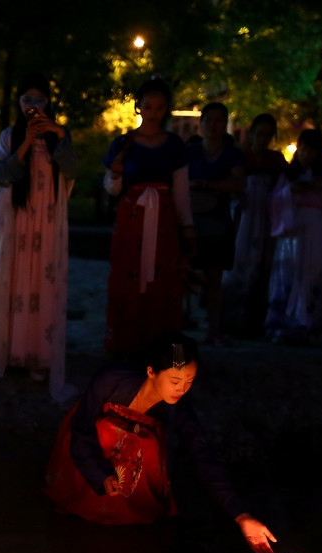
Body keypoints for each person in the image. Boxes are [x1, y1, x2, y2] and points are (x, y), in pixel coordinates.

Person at [44, 334, 276, 553]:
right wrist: (99, 473)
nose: (181, 389)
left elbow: (203, 458)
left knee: (150, 445)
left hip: (134, 465)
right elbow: (82, 427)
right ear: (151, 371)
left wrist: (242, 516)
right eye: (175, 381)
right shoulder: (111, 381)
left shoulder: (178, 409)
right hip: (92, 446)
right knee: (105, 431)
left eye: (189, 382)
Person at [0, 74, 77, 396]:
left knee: (41, 283)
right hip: (15, 219)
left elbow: (72, 172)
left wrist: (58, 134)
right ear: (19, 104)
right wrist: (26, 143)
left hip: (46, 221)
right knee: (13, 279)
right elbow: (0, 175)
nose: (33, 106)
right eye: (27, 100)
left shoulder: (60, 136)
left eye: (39, 99)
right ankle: (7, 350)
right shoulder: (9, 135)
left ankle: (38, 354)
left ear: (49, 102)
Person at [102, 78, 195, 357]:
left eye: (159, 107)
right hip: (133, 218)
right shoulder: (124, 143)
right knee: (128, 277)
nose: (153, 112)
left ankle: (160, 343)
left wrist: (187, 226)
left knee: (162, 279)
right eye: (148, 107)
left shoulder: (174, 145)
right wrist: (116, 174)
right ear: (138, 108)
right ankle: (125, 342)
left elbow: (181, 189)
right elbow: (112, 187)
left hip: (164, 220)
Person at [265, 128, 322, 341]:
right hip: (293, 229)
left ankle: (312, 319)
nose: (306, 153)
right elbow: (275, 199)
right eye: (303, 148)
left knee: (315, 270)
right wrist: (292, 192)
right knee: (291, 272)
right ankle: (288, 320)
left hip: (316, 228)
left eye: (311, 150)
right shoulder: (289, 174)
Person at [185, 102, 245, 346]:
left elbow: (239, 185)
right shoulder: (190, 151)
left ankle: (214, 330)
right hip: (190, 220)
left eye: (218, 120)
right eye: (208, 119)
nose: (213, 125)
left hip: (217, 220)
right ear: (201, 123)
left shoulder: (232, 154)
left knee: (214, 279)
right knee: (183, 273)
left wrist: (205, 185)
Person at [224, 114, 287, 337]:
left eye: (268, 135)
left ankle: (257, 318)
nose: (263, 139)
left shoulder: (276, 160)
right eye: (260, 134)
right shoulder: (240, 157)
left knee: (264, 266)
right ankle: (231, 318)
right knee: (239, 264)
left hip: (267, 220)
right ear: (252, 134)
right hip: (243, 218)